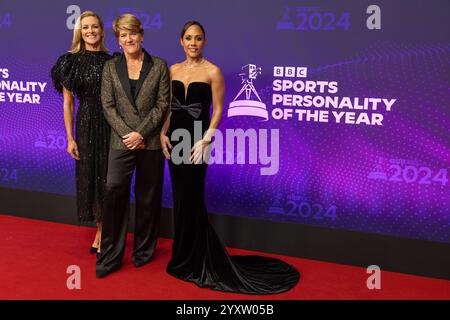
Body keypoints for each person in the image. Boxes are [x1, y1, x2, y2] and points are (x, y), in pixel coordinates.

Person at [160, 21, 300, 294]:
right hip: (175, 137)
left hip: (198, 139)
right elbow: (168, 107)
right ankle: (182, 257)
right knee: (179, 196)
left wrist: (206, 139)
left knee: (193, 195)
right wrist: (163, 133)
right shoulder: (172, 70)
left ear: (205, 41)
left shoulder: (213, 72)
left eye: (198, 38)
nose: (193, 43)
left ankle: (198, 257)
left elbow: (218, 110)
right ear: (181, 41)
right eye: (188, 38)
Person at [96, 13, 170, 278]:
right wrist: (129, 133)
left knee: (148, 197)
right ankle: (110, 255)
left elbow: (163, 104)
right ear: (118, 40)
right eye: (123, 35)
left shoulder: (159, 66)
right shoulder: (110, 67)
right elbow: (108, 105)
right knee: (114, 190)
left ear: (142, 35)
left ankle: (143, 251)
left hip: (149, 143)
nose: (129, 39)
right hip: (121, 140)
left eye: (132, 33)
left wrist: (142, 133)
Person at [51, 11, 111, 254]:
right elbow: (68, 103)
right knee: (91, 177)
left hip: (110, 123)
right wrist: (70, 137)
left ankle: (103, 232)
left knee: (108, 179)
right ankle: (100, 229)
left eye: (95, 27)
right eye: (85, 27)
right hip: (85, 124)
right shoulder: (69, 62)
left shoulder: (113, 61)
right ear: (79, 31)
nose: (90, 31)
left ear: (101, 30)